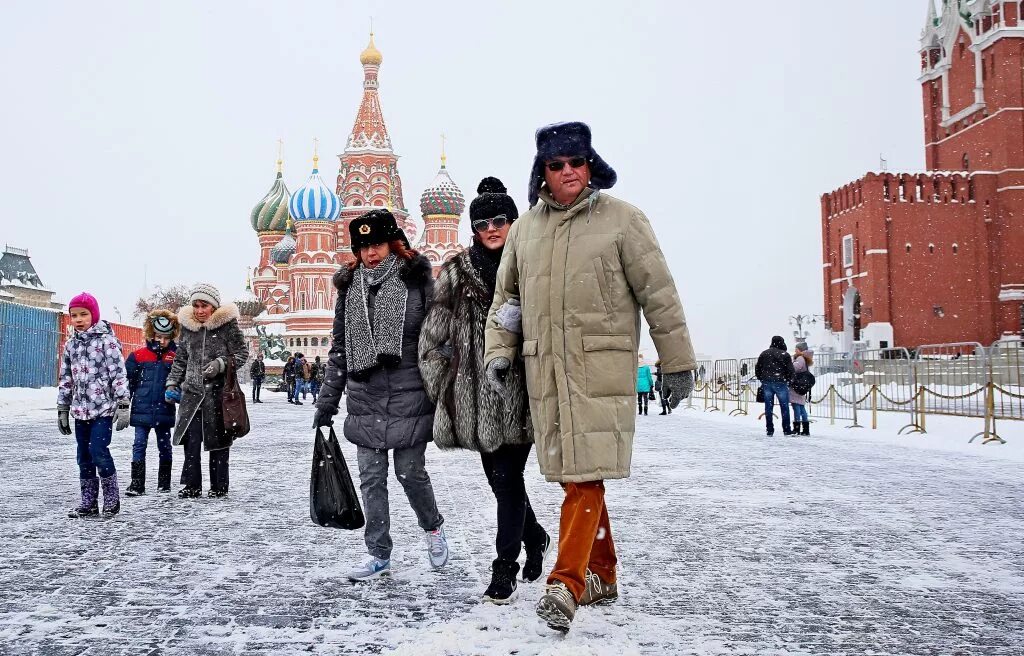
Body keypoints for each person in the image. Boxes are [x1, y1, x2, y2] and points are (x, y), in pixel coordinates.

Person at [483, 121, 697, 632]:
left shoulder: (623, 220)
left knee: (583, 477)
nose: (568, 173)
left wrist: (677, 360)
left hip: (599, 367)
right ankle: (602, 570)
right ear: (543, 173)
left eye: (576, 162)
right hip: (545, 370)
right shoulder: (525, 231)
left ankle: (566, 583)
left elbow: (659, 295)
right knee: (573, 476)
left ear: (590, 165)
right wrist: (500, 352)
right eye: (556, 165)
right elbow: (507, 301)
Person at [419, 177, 551, 604]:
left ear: (514, 222)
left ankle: (504, 569)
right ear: (473, 228)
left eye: (499, 220)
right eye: (482, 222)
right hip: (476, 398)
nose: (492, 228)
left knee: (508, 480)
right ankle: (536, 536)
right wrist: (448, 388)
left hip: (526, 393)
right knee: (502, 483)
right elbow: (432, 340)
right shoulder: (456, 273)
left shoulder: (535, 266)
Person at [313, 209, 449, 582]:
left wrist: (444, 387)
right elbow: (340, 347)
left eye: (376, 244)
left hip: (409, 393)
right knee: (372, 479)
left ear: (393, 243)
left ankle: (433, 526)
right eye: (362, 247)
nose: (370, 253)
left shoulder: (418, 283)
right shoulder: (350, 287)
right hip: (365, 395)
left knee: (410, 472)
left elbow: (437, 338)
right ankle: (378, 553)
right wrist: (327, 401)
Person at [165, 283, 249, 498]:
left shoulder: (227, 327)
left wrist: (221, 364)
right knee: (191, 442)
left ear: (214, 307)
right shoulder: (188, 328)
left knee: (218, 442)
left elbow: (241, 354)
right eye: (196, 306)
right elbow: (181, 359)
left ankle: (219, 486)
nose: (200, 311)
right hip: (192, 395)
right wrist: (172, 383)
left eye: (205, 306)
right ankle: (192, 485)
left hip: (218, 395)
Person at [58, 292, 131, 517]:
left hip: (103, 409)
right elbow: (66, 377)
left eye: (83, 314)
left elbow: (119, 374)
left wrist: (123, 403)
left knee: (98, 450)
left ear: (94, 314)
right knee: (83, 455)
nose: (78, 319)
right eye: (74, 315)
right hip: (80, 410)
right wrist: (63, 407)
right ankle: (88, 502)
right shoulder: (71, 345)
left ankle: (111, 499)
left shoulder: (107, 342)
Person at [124, 310, 180, 496]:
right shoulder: (138, 356)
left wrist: (176, 393)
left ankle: (164, 483)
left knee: (164, 446)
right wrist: (124, 404)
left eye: (166, 337)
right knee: (139, 445)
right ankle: (137, 483)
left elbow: (182, 380)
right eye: (158, 337)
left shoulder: (176, 357)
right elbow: (127, 383)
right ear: (151, 334)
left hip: (164, 409)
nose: (162, 341)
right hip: (141, 409)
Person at [755, 335, 796, 436]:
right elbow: (791, 370)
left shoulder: (764, 354)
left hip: (767, 382)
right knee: (784, 406)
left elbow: (758, 368)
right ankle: (786, 429)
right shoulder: (784, 354)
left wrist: (762, 378)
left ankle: (769, 429)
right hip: (780, 382)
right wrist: (788, 380)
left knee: (768, 407)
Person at [789, 343, 814, 436]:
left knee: (796, 406)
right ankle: (805, 429)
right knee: (801, 407)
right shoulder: (805, 358)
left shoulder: (799, 358)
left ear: (800, 350)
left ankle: (796, 428)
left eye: (796, 349)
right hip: (802, 385)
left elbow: (794, 368)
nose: (795, 350)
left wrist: (789, 364)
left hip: (797, 385)